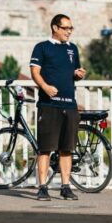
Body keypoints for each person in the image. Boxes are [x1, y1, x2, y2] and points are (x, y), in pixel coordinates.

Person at [30, 14, 87, 201]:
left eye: (71, 28)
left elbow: (74, 71)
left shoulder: (72, 49)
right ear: (55, 28)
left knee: (66, 149)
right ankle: (43, 187)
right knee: (45, 149)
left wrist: (78, 74)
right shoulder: (42, 47)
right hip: (49, 105)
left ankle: (65, 186)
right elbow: (34, 72)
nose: (69, 32)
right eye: (66, 28)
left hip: (69, 104)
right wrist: (45, 87)